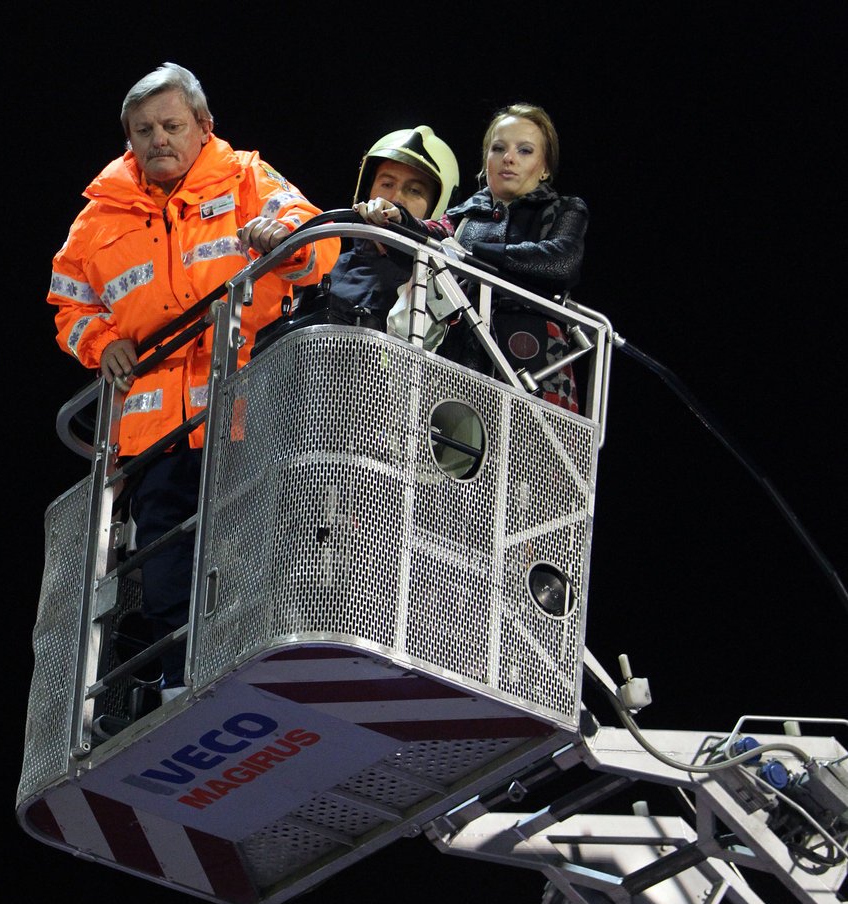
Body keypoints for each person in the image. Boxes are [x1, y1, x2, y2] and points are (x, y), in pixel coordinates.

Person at [48, 63, 338, 701]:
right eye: (145, 129)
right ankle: (181, 683)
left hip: (244, 404)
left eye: (172, 125)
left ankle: (262, 663)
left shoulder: (245, 177)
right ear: (129, 138)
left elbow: (317, 242)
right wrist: (103, 342)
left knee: (250, 542)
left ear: (204, 126)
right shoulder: (97, 218)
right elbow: (69, 305)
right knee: (164, 558)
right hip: (155, 429)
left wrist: (282, 239)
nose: (159, 139)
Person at [356, 103, 587, 410]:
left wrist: (473, 254)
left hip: (536, 369)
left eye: (525, 151)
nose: (509, 158)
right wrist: (396, 217)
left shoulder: (565, 209)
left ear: (545, 168)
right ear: (485, 161)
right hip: (461, 362)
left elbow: (561, 262)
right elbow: (427, 236)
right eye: (499, 148)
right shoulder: (462, 217)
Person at [325, 126, 459, 329]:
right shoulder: (326, 264)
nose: (396, 199)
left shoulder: (436, 285)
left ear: (437, 206)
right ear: (366, 190)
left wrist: (404, 223)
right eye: (387, 184)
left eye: (414, 190)